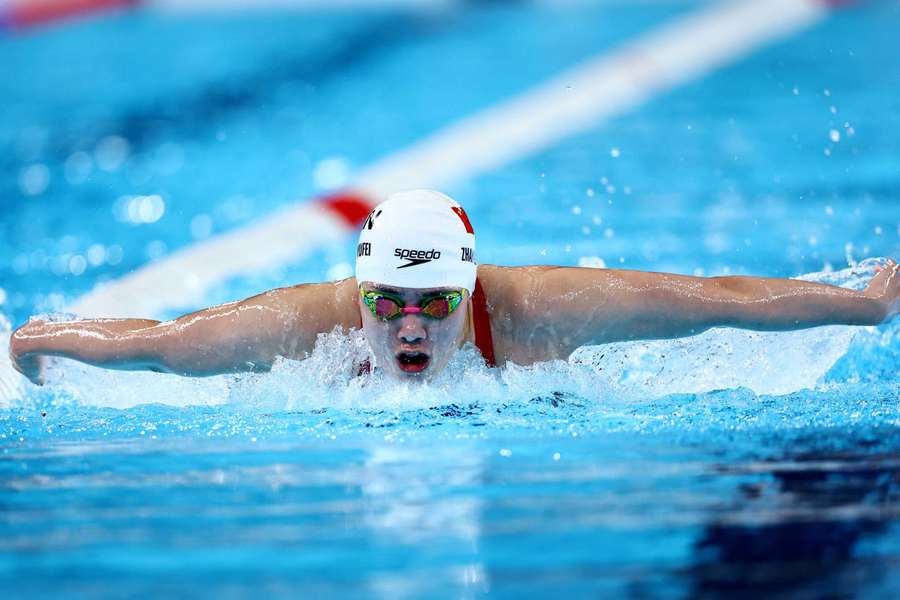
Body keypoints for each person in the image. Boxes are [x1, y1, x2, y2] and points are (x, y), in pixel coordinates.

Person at [8, 189, 900, 386]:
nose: (404, 323)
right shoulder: (305, 326)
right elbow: (159, 341)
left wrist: (866, 307)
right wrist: (39, 341)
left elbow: (716, 297)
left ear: (466, 293)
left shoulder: (539, 311)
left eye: (431, 303)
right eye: (384, 301)